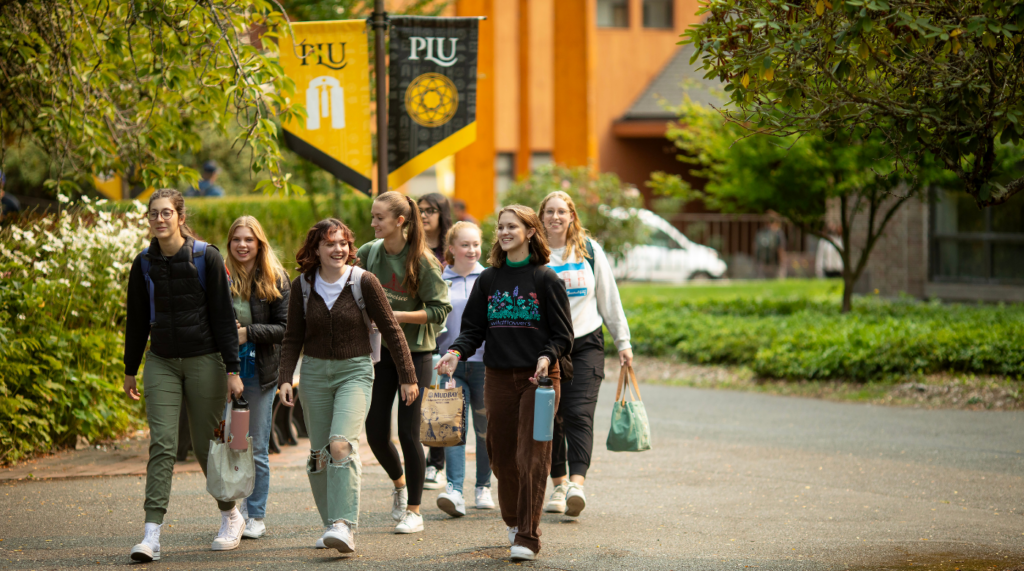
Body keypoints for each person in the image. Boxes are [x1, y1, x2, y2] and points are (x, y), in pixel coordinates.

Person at [436, 205, 573, 563]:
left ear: (530, 231)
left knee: (532, 455)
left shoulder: (546, 279)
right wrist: (455, 352)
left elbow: (563, 335)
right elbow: (473, 330)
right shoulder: (489, 279)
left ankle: (528, 535)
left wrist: (546, 357)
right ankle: (514, 522)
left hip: (538, 380)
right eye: (500, 227)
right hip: (497, 376)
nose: (504, 232)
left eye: (513, 226)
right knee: (501, 456)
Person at [277, 218, 418, 554]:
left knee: (341, 444)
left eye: (342, 243)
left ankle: (344, 525)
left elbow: (392, 330)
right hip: (312, 373)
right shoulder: (303, 286)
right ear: (316, 249)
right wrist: (285, 377)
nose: (337, 249)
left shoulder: (363, 282)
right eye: (329, 244)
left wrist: (408, 376)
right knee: (320, 454)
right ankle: (330, 525)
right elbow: (292, 335)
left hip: (355, 370)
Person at [122, 189, 243, 562]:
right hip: (161, 360)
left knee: (209, 446)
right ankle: (151, 534)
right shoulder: (143, 263)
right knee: (162, 444)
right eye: (154, 214)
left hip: (204, 359)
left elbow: (224, 317)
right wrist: (130, 370)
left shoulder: (206, 257)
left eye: (167, 213)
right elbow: (137, 320)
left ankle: (231, 515)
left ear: (179, 216)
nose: (160, 220)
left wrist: (233, 369)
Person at [357, 191, 452, 534]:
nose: (373, 223)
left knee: (409, 434)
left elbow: (441, 309)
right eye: (372, 217)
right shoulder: (369, 252)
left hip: (417, 355)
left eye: (379, 218)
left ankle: (414, 510)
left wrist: (394, 315)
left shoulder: (423, 260)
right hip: (380, 353)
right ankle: (399, 485)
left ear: (399, 221)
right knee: (376, 432)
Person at [537, 191, 632, 519]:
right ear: (541, 217)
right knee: (552, 416)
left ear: (572, 216)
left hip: (587, 341)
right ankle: (559, 484)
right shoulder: (537, 254)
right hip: (548, 348)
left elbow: (609, 298)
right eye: (549, 211)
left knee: (579, 413)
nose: (555, 217)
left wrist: (624, 342)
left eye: (562, 211)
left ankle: (577, 484)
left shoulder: (590, 252)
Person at [224, 216, 290, 540]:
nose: (242, 245)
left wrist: (247, 333)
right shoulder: (221, 277)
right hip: (225, 373)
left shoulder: (276, 278)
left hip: (261, 374)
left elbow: (285, 328)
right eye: (237, 239)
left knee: (256, 447)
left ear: (259, 243)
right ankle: (231, 514)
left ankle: (256, 515)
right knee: (230, 445)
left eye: (249, 239)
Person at [433, 222, 495, 517]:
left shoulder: (490, 278)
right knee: (451, 429)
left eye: (475, 244)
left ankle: (483, 486)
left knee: (486, 431)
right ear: (451, 249)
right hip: (449, 367)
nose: (472, 250)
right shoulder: (439, 280)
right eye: (465, 245)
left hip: (485, 364)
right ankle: (454, 490)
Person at [416, 192, 453, 489]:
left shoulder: (450, 250)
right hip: (419, 332)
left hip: (448, 333)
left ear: (442, 214)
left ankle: (436, 463)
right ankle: (423, 459)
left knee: (439, 399)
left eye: (431, 210)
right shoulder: (410, 248)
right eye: (420, 210)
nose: (425, 215)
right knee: (420, 400)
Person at [418, 192, 453, 268]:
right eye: (420, 211)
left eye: (429, 211)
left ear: (442, 214)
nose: (422, 216)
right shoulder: (409, 244)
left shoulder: (454, 246)